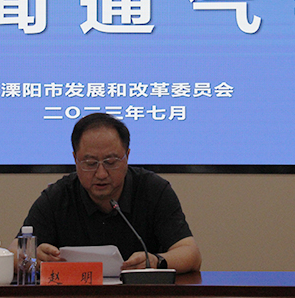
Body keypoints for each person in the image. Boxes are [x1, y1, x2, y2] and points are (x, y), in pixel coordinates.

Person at [19, 113, 201, 274]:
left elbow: (191, 254)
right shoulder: (58, 196)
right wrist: (32, 258)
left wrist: (156, 261)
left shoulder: (153, 190)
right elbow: (14, 251)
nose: (101, 174)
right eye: (90, 163)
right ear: (75, 159)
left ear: (127, 156)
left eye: (111, 162)